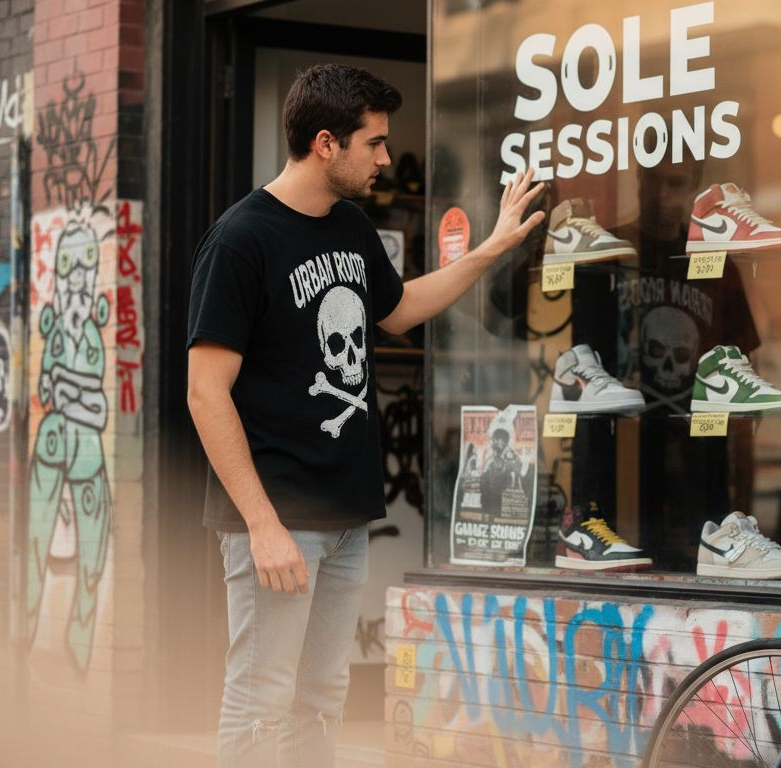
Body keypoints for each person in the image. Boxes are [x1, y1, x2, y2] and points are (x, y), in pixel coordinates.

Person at [185, 63, 544, 767]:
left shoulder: (349, 226)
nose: (385, 157)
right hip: (280, 519)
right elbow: (205, 392)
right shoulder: (241, 240)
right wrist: (261, 525)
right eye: (374, 143)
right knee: (261, 698)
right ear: (326, 143)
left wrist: (493, 247)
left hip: (345, 516)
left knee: (320, 697)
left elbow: (401, 309)